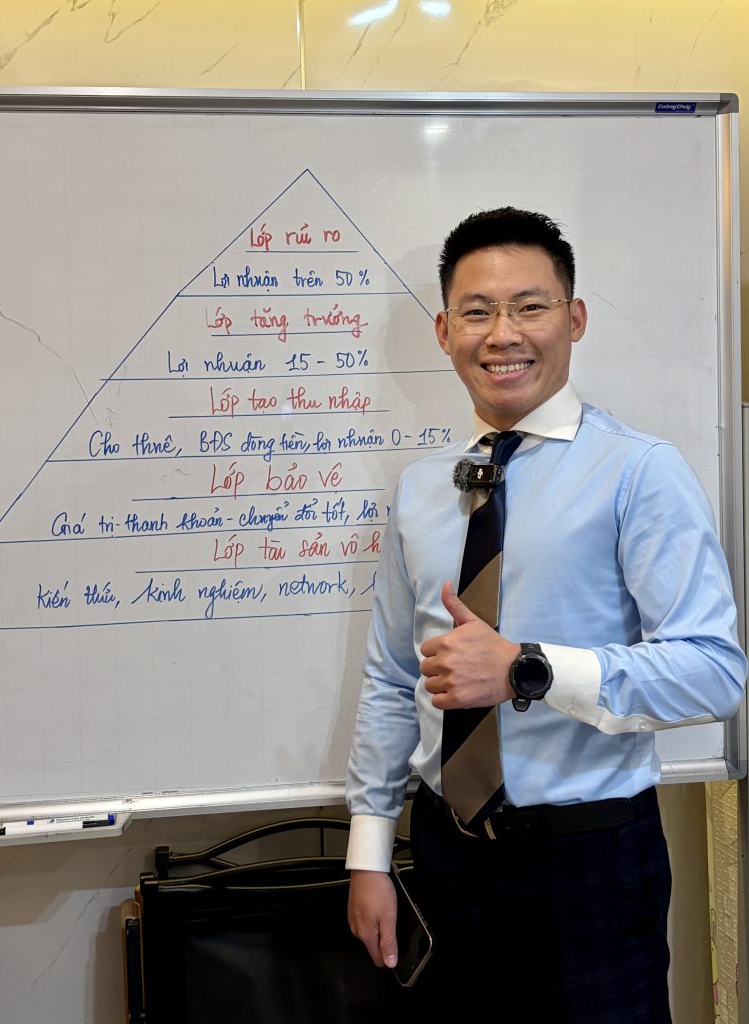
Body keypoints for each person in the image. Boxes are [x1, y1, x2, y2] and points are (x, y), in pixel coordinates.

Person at [344, 207, 747, 1023]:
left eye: (530, 306)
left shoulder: (639, 472)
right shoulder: (423, 489)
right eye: (477, 311)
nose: (503, 334)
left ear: (575, 318)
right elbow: (392, 678)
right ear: (444, 330)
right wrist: (370, 852)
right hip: (445, 858)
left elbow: (714, 672)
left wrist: (527, 668)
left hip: (591, 862)